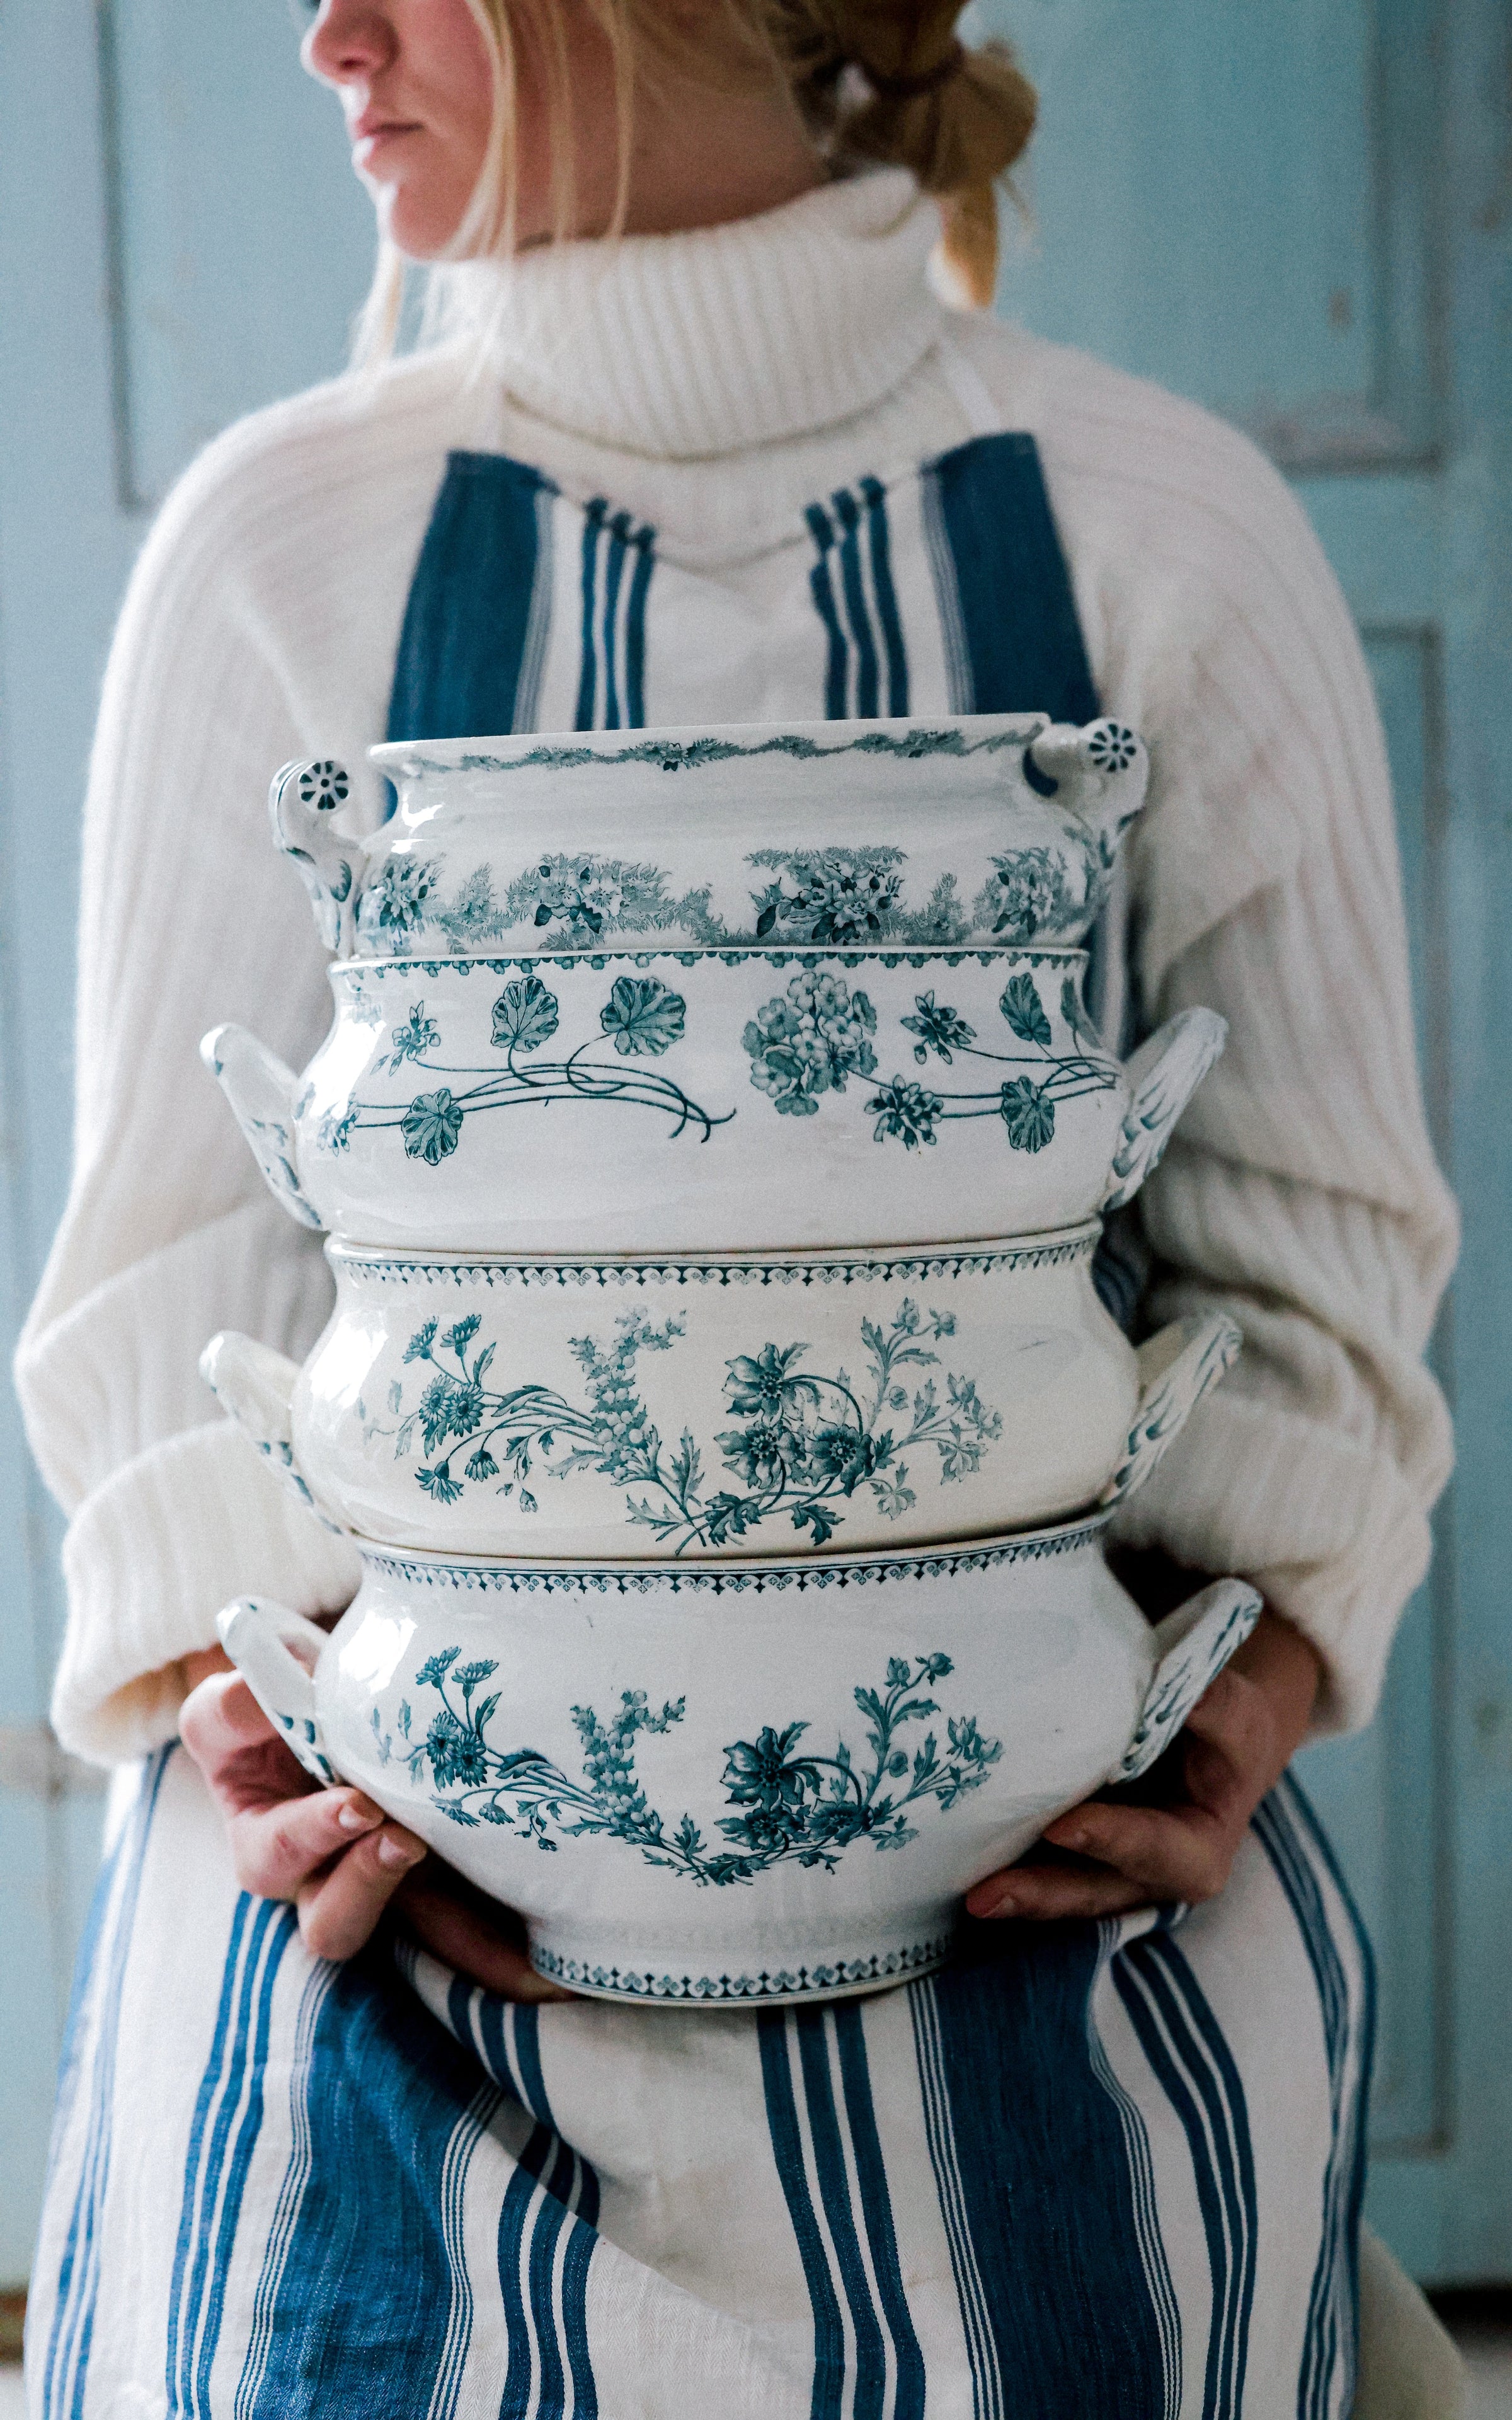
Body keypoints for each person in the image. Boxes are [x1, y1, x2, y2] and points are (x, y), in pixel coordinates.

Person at [15, 2, 1458, 2411]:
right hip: (410, 1901)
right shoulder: (284, 549)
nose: (324, 36)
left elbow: (1312, 1271)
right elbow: (171, 1295)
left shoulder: (1161, 533)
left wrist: (1257, 1680)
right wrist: (235, 1720)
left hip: (1013, 1857)